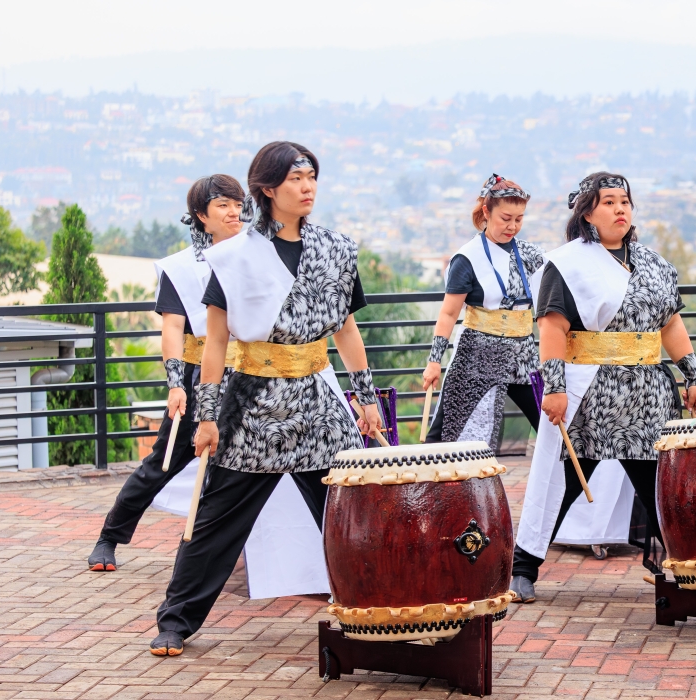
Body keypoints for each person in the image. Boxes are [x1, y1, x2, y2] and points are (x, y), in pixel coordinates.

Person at [150, 142, 383, 656]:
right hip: (252, 401)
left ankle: (382, 607)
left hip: (319, 402)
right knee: (214, 519)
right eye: (296, 179)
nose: (307, 188)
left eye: (312, 177)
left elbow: (346, 329)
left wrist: (365, 398)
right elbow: (215, 341)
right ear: (267, 188)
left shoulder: (337, 249)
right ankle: (176, 620)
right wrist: (207, 417)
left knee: (352, 513)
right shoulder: (234, 254)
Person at [511, 172, 696, 603]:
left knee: (660, 484)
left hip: (649, 394)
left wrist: (692, 374)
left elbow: (670, 323)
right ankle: (522, 567)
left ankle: (688, 568)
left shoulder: (654, 263)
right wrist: (555, 388)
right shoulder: (567, 263)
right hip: (591, 393)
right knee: (561, 483)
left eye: (625, 202)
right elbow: (552, 327)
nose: (620, 209)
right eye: (609, 202)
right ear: (588, 212)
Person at [87, 175, 244, 572]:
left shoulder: (254, 256)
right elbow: (173, 329)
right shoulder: (180, 268)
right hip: (198, 378)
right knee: (163, 461)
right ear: (200, 215)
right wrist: (176, 385)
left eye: (238, 204)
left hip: (250, 376)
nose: (234, 212)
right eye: (223, 204)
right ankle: (110, 537)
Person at [422, 174, 544, 449]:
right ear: (486, 212)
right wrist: (434, 361)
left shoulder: (532, 254)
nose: (513, 226)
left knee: (551, 427)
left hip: (523, 355)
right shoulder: (467, 258)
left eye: (519, 218)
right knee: (448, 432)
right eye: (506, 218)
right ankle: (433, 490)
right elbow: (448, 314)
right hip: (478, 356)